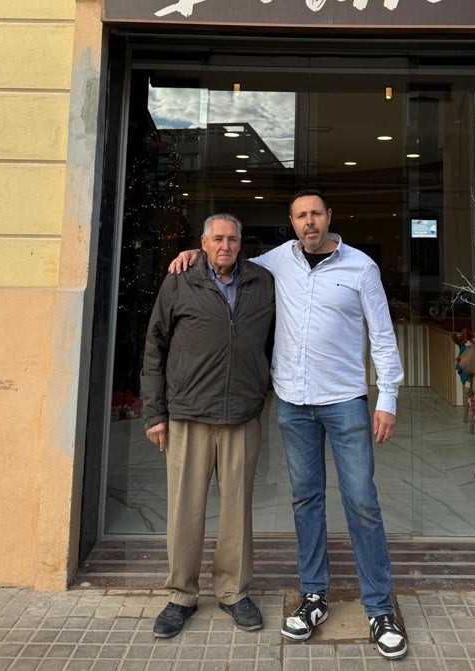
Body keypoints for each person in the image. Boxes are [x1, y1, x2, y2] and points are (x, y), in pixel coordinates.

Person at [171, 190, 408, 659]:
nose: (309, 221)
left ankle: (379, 607)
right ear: (292, 222)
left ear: (329, 216)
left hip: (345, 402)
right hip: (294, 404)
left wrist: (389, 398)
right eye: (301, 215)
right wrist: (196, 252)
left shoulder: (360, 267)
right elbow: (230, 255)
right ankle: (314, 596)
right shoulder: (276, 262)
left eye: (316, 213)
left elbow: (381, 335)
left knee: (362, 502)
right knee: (306, 500)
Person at [141, 213, 275, 639]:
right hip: (188, 415)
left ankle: (233, 592)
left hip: (240, 415)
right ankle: (181, 594)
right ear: (202, 242)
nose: (226, 246)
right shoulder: (180, 280)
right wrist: (154, 413)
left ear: (241, 243)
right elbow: (154, 347)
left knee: (237, 509)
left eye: (233, 239)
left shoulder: (262, 281)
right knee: (185, 509)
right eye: (217, 239)